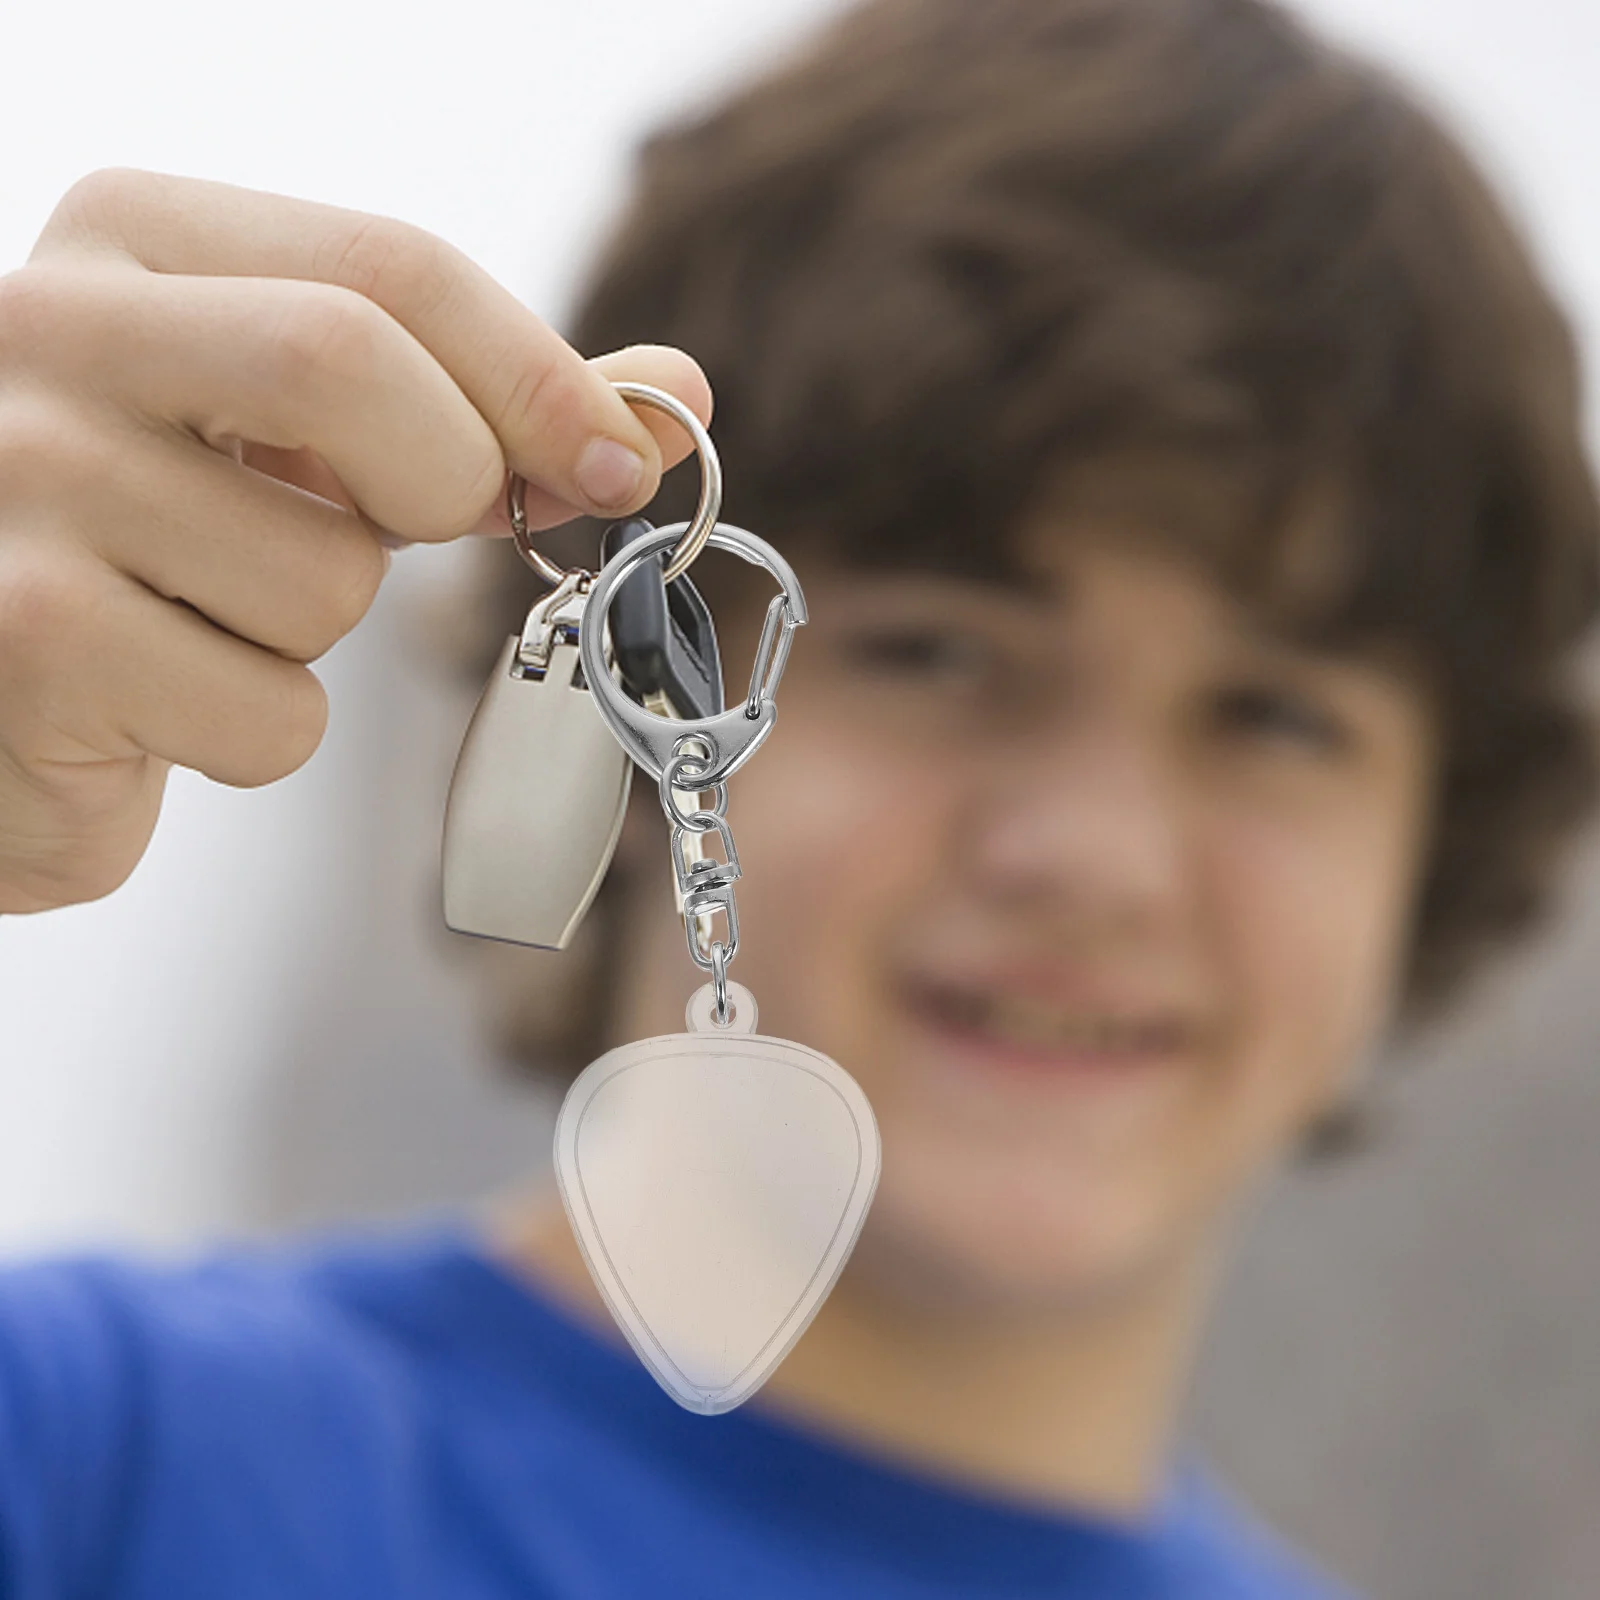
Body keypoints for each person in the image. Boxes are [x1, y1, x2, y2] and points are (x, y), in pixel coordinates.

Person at [0, 0, 1594, 1594]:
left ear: (1439, 839)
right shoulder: (84, 1460)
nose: (1098, 858)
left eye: (1275, 716)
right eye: (944, 653)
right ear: (644, 691)